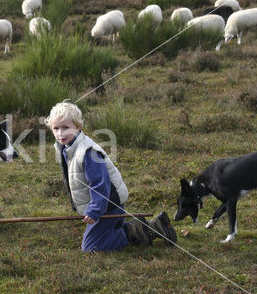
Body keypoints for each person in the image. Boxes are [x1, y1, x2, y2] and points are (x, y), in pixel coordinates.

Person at [45, 101, 177, 252]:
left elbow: (100, 184)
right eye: (56, 128)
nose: (60, 133)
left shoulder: (88, 152)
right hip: (103, 205)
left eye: (66, 127)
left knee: (91, 247)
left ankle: (143, 230)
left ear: (78, 127)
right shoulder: (67, 147)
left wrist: (95, 210)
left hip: (108, 205)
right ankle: (135, 227)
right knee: (98, 238)